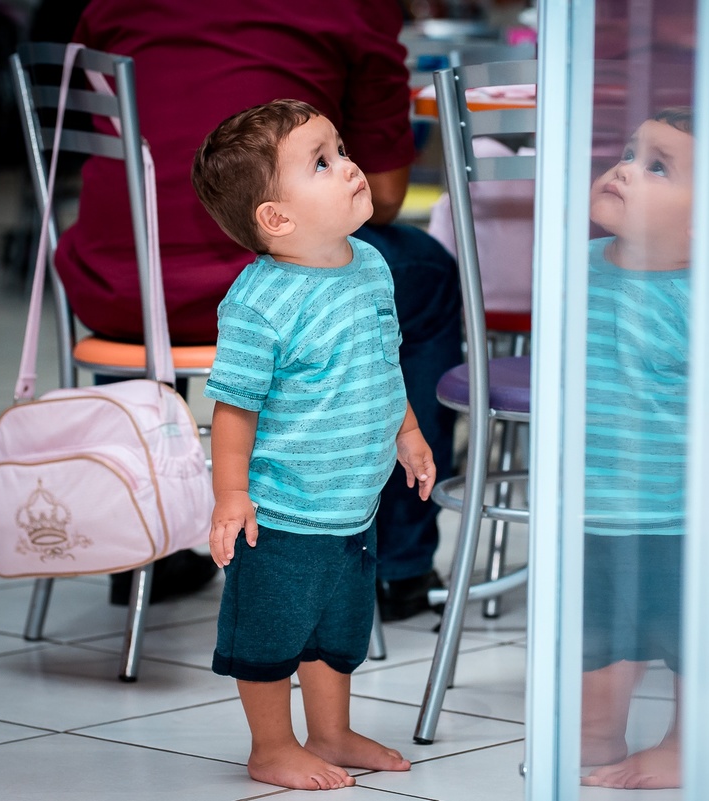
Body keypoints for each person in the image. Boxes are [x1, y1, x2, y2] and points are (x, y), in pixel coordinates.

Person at [46, 0, 460, 616]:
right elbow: (390, 196)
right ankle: (396, 563)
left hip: (123, 283)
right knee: (427, 278)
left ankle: (141, 549)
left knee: (138, 266)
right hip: (265, 279)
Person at [192, 98, 434, 791]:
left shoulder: (372, 265)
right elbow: (235, 407)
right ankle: (271, 744)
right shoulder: (260, 302)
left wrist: (408, 432)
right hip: (283, 511)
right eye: (323, 163)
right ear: (278, 219)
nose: (351, 168)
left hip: (353, 506)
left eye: (341, 150)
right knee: (269, 637)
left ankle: (330, 730)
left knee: (338, 630)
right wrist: (232, 495)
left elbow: (383, 362)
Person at [578, 107, 694, 790]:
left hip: (682, 513)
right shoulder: (580, 267)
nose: (624, 167)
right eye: (629, 151)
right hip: (595, 508)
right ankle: (600, 731)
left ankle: (686, 742)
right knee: (599, 643)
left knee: (693, 643)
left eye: (658, 165)